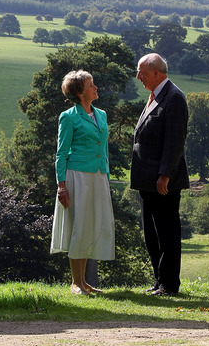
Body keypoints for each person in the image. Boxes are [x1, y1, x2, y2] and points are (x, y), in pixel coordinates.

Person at [50, 70, 115, 295]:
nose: (95, 88)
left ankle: (84, 282)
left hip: (97, 175)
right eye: (91, 85)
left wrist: (105, 176)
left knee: (89, 226)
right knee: (78, 226)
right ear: (79, 92)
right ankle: (76, 282)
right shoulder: (68, 117)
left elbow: (103, 148)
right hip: (77, 175)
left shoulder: (102, 115)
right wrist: (61, 185)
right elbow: (61, 152)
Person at [130, 53, 190, 296]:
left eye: (142, 73)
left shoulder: (174, 97)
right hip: (148, 181)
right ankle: (159, 280)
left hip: (162, 181)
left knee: (167, 233)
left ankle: (169, 284)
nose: (138, 77)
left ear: (156, 72)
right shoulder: (155, 96)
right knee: (152, 234)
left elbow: (174, 141)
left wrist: (164, 174)